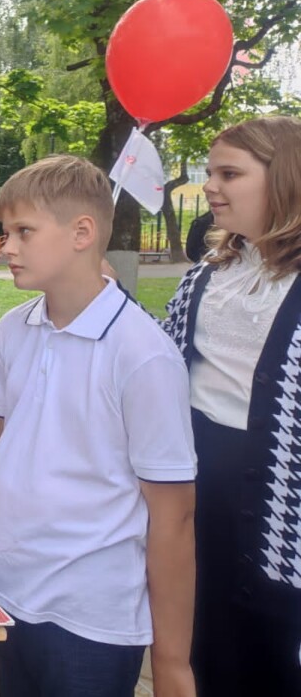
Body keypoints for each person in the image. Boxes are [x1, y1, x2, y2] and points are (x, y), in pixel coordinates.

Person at [0, 155, 196, 697]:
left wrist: (172, 661)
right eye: (5, 232)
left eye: (23, 231)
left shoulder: (143, 354)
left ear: (82, 233)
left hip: (89, 620)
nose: (6, 247)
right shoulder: (11, 329)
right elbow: (10, 455)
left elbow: (175, 516)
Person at [162, 116, 301, 696]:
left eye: (230, 174)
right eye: (210, 172)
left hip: (280, 518)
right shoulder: (205, 277)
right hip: (201, 506)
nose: (211, 186)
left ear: (286, 181)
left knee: (273, 659)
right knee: (207, 649)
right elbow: (162, 363)